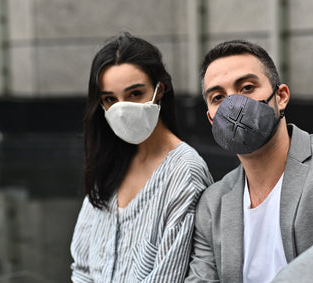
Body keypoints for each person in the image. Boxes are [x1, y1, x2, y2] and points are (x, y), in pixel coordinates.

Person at [185, 40, 313, 283]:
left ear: (280, 97)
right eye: (218, 97)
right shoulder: (212, 205)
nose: (233, 105)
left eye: (247, 87)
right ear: (210, 119)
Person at [70, 33, 213, 283]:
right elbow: (82, 267)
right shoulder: (108, 164)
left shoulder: (184, 172)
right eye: (110, 99)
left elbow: (169, 277)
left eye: (135, 93)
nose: (122, 109)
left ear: (160, 90)